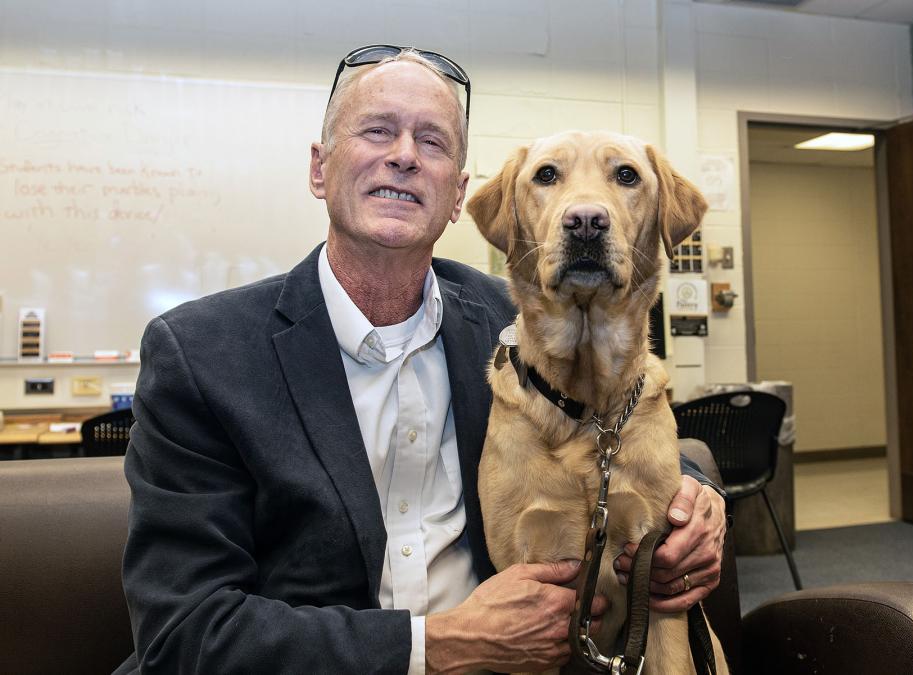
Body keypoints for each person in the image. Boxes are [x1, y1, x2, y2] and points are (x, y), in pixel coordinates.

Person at [114, 45, 727, 674]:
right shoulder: (202, 354)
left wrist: (698, 497)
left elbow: (605, 422)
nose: (404, 154)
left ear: (459, 194)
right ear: (320, 169)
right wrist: (440, 645)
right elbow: (182, 632)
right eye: (377, 130)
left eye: (431, 142)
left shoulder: (514, 324)